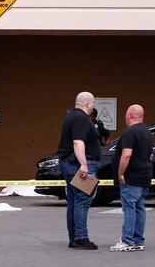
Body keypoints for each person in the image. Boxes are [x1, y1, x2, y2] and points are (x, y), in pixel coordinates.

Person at [58, 91, 101, 250]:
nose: (93, 107)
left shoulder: (70, 117)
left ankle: (74, 238)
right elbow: (78, 142)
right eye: (93, 104)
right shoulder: (81, 118)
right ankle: (81, 237)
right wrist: (84, 164)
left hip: (70, 164)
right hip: (79, 164)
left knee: (75, 202)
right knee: (82, 200)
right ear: (88, 104)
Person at [110, 104, 153, 252]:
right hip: (145, 175)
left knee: (129, 208)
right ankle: (138, 240)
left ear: (130, 115)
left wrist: (120, 173)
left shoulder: (130, 132)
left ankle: (127, 240)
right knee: (139, 207)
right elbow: (150, 155)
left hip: (132, 176)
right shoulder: (147, 132)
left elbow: (126, 154)